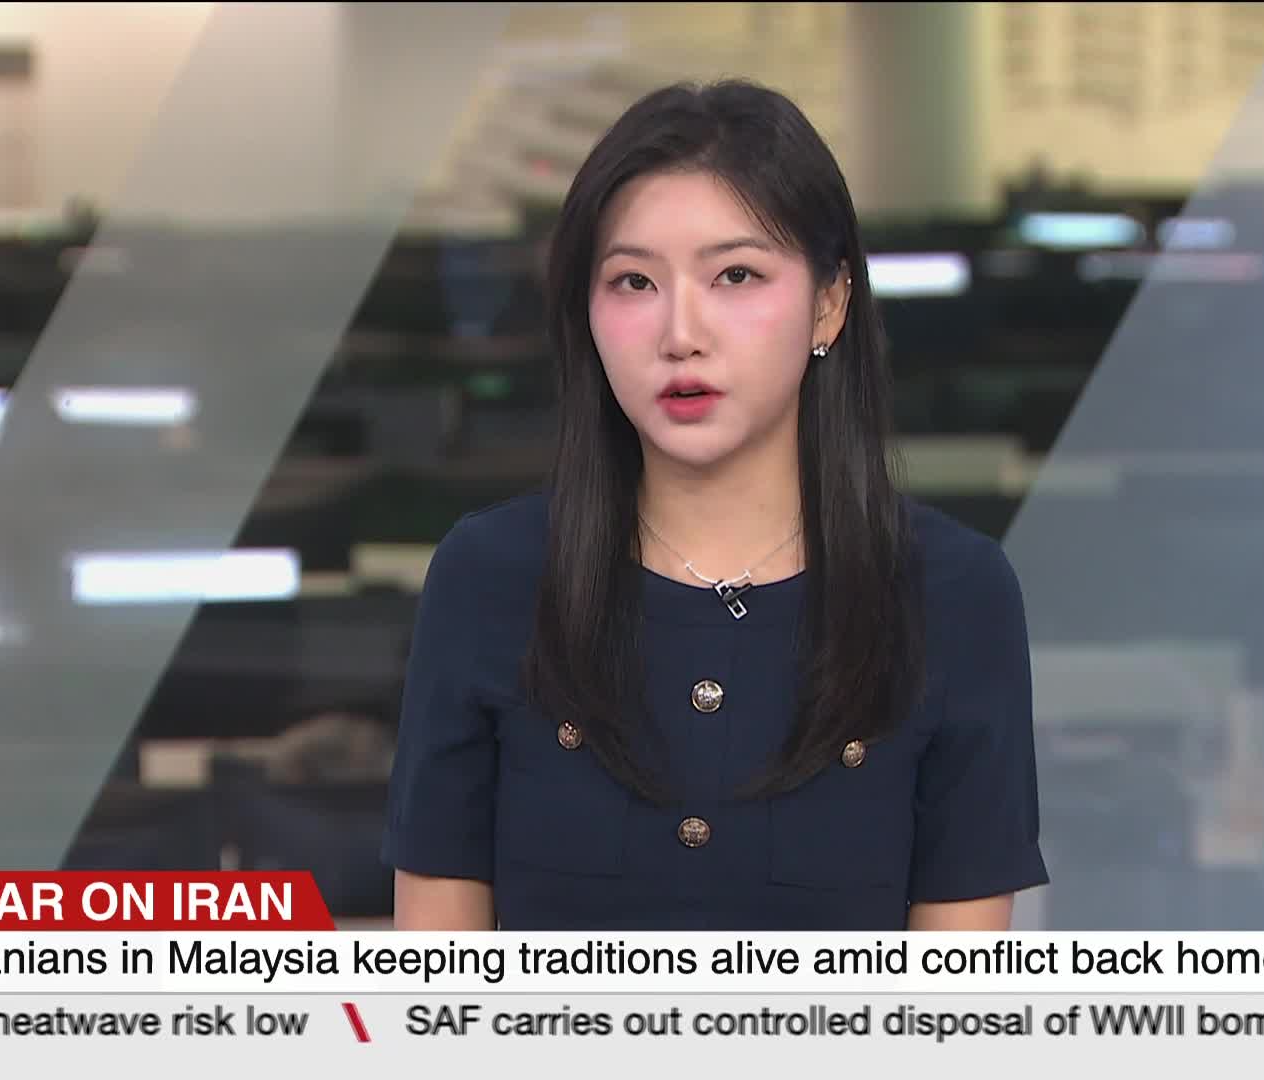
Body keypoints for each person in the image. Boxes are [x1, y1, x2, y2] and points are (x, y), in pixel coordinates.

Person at [380, 79, 1045, 930]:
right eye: (632, 283)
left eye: (735, 275)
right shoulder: (488, 579)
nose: (680, 333)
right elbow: (436, 1004)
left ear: (829, 303)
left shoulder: (955, 593)